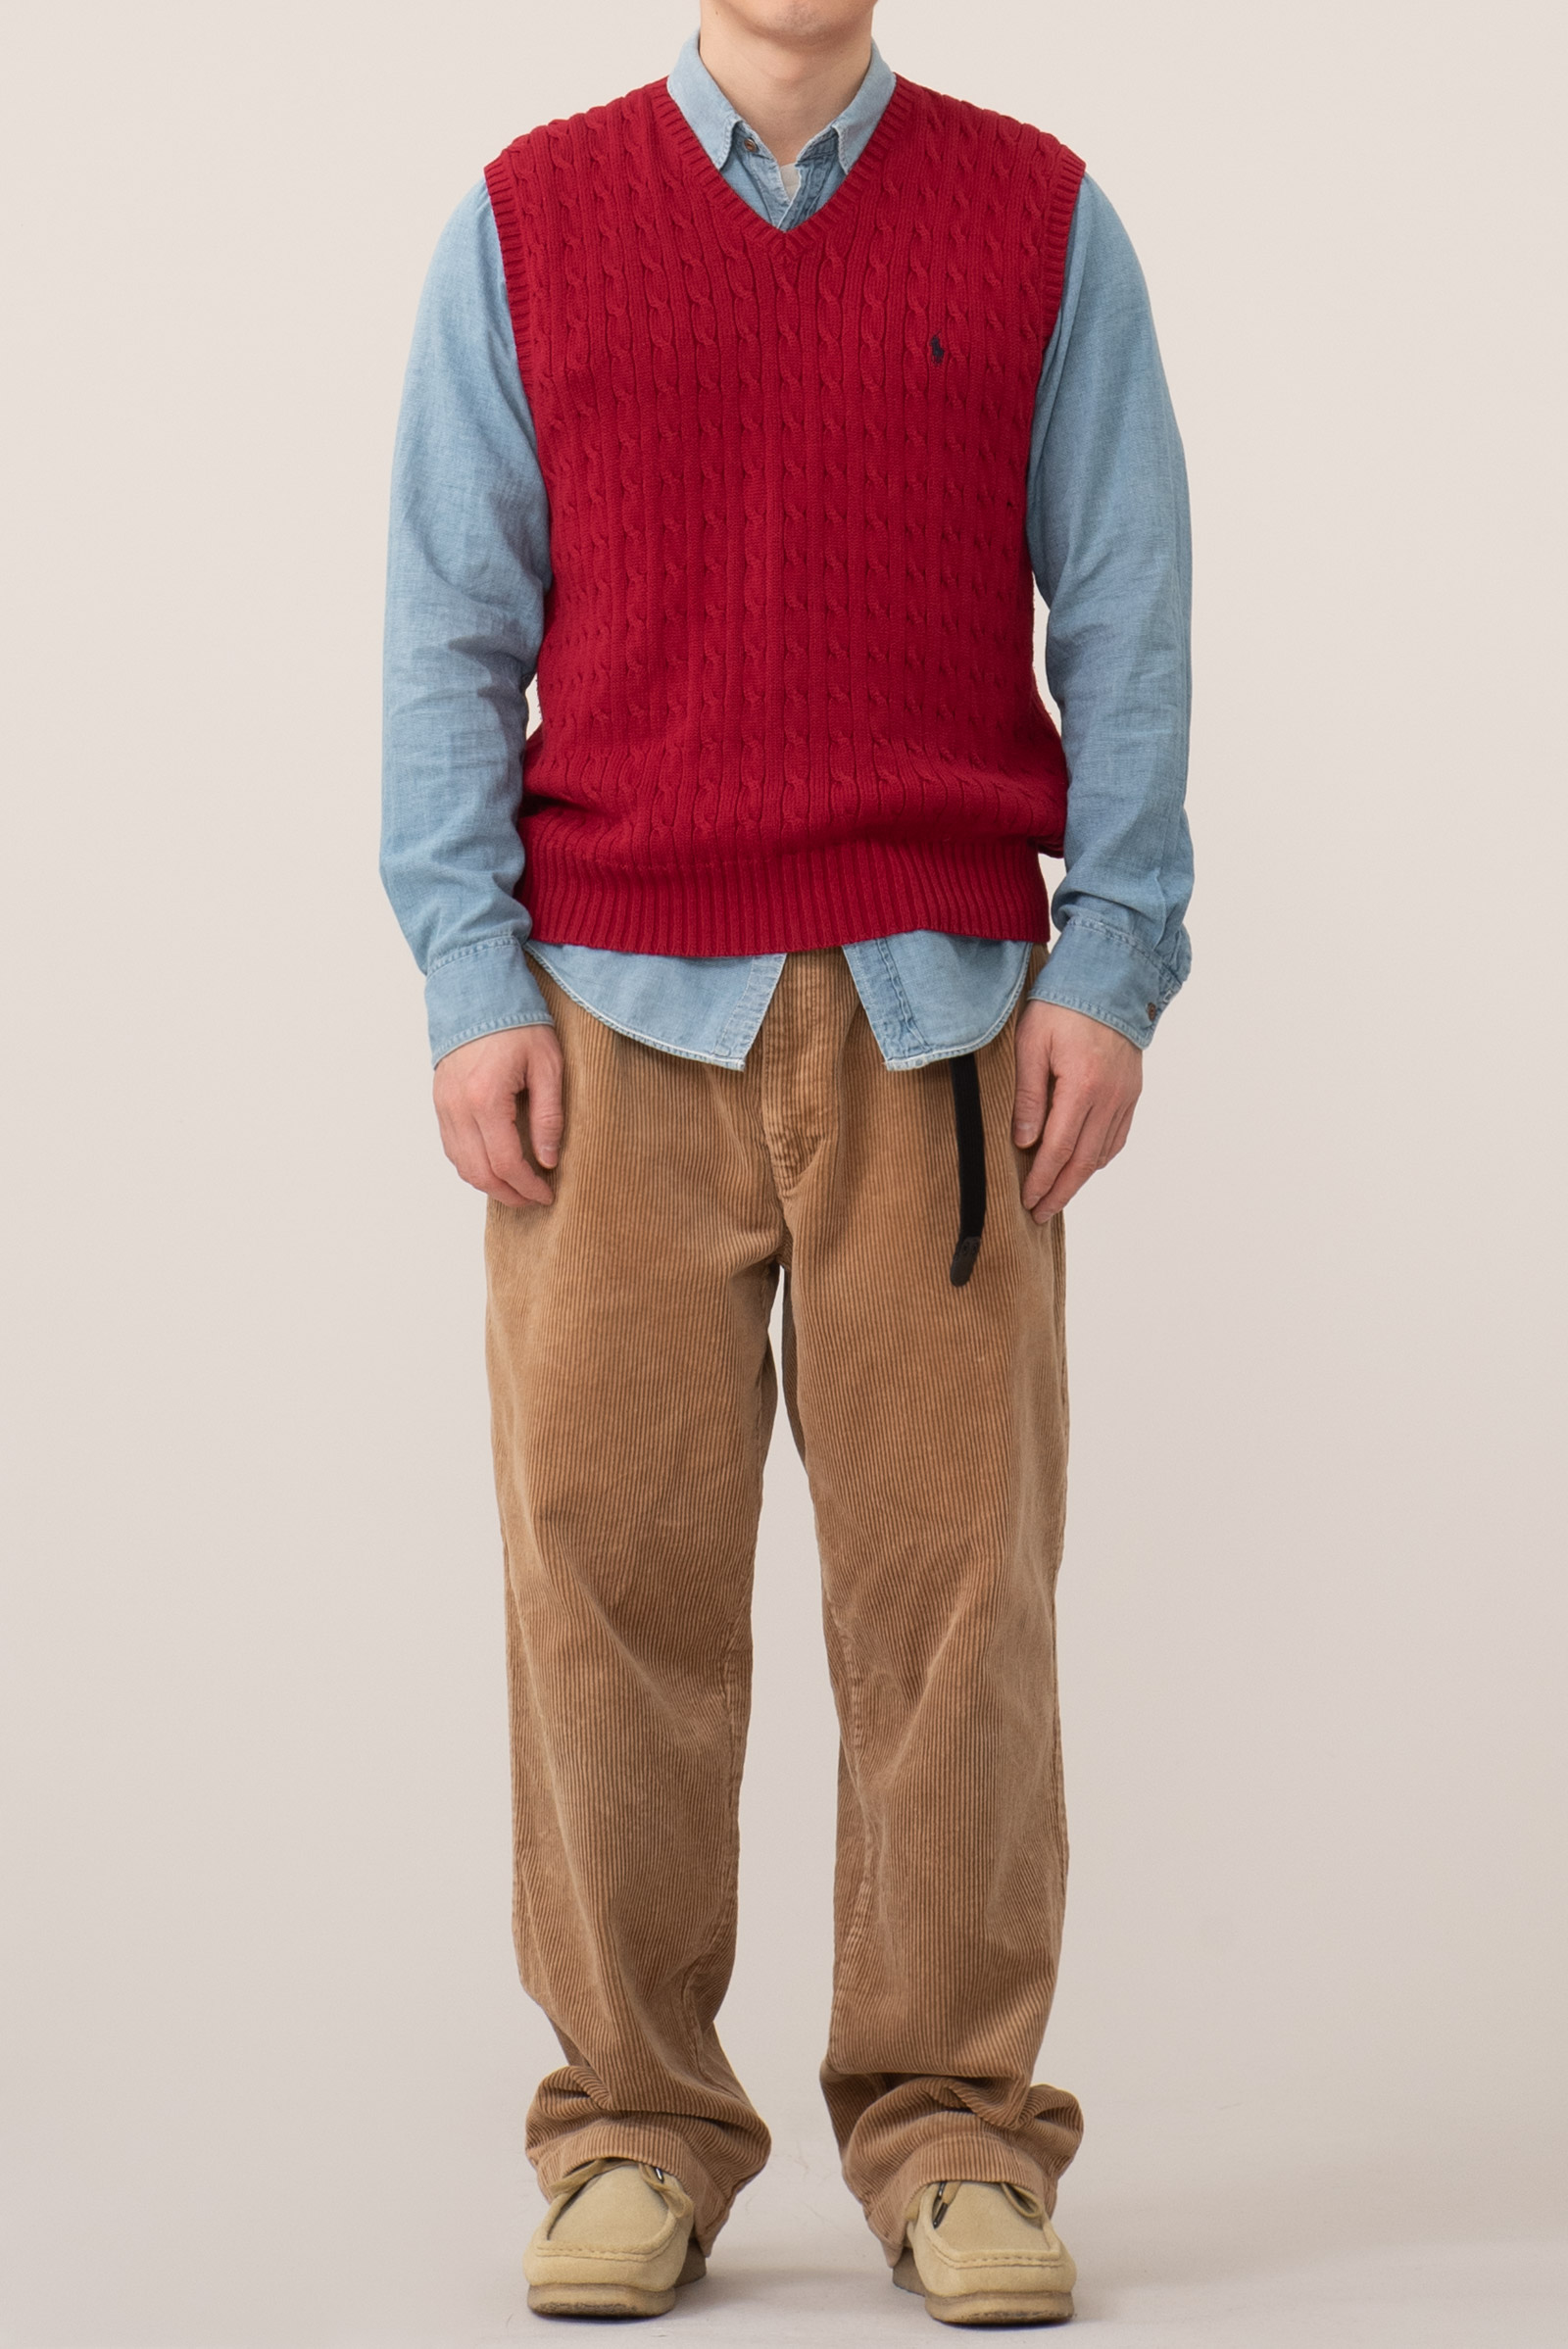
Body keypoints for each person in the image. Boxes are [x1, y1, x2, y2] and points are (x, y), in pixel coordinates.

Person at [381, 0, 1191, 2325]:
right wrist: (465, 972)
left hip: (945, 1028)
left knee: (956, 1605)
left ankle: (956, 2133)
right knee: (602, 1587)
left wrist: (1113, 955)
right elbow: (450, 623)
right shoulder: (528, 220)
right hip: (604, 1022)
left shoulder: (1036, 218)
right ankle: (629, 2124)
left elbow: (1124, 603)